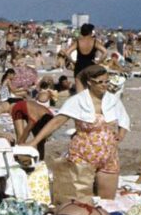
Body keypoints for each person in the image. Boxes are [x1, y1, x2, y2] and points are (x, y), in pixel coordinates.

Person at [26, 65, 130, 199]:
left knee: (107, 202)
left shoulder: (112, 99)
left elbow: (124, 119)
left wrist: (120, 135)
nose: (104, 85)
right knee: (80, 201)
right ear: (89, 82)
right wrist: (34, 142)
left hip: (109, 156)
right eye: (100, 82)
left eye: (106, 81)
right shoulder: (78, 100)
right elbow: (56, 122)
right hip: (82, 156)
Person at [67, 23, 105, 92]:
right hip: (90, 65)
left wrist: (72, 61)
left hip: (79, 65)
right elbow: (105, 52)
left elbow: (67, 53)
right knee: (90, 91)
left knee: (80, 92)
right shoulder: (94, 42)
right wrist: (99, 61)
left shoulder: (78, 41)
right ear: (90, 32)